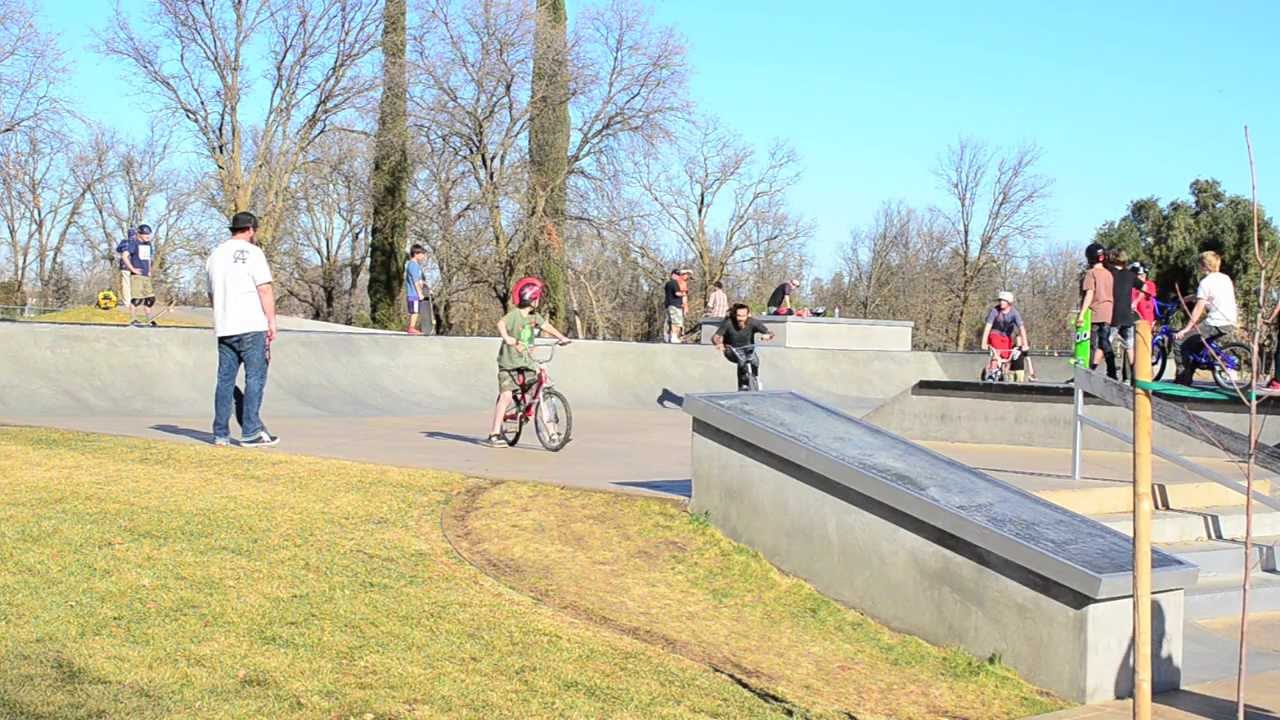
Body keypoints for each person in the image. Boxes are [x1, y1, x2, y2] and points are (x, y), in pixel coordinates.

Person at [205, 211, 279, 448]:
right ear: (250, 230)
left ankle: (220, 434)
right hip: (252, 325)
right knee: (255, 378)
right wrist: (271, 321)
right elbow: (264, 289)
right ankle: (250, 432)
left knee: (225, 380)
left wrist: (221, 315)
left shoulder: (215, 255)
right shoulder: (254, 253)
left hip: (225, 326)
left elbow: (211, 293)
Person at [486, 279, 570, 447]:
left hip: (527, 363)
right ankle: (494, 434)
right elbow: (501, 323)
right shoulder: (515, 315)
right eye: (537, 298)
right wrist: (507, 337)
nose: (538, 301)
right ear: (532, 299)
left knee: (539, 393)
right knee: (507, 395)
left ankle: (553, 434)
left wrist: (561, 337)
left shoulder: (534, 317)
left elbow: (546, 326)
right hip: (509, 364)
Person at [1173, 251, 1237, 386]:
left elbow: (1198, 308)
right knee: (1196, 344)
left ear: (1205, 266)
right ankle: (1191, 371)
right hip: (1230, 320)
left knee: (1180, 342)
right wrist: (1189, 298)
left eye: (1200, 265)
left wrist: (1186, 329)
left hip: (1216, 322)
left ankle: (1182, 379)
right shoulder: (1225, 278)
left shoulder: (1205, 282)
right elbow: (1212, 296)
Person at [713, 303, 775, 391]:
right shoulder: (728, 323)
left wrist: (768, 336)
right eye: (738, 316)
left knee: (755, 361)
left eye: (743, 316)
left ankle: (755, 379)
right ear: (735, 315)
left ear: (748, 315)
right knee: (742, 361)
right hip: (731, 350)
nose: (741, 319)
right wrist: (719, 343)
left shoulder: (753, 322)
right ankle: (743, 385)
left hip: (748, 349)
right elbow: (715, 337)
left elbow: (771, 333)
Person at [1077, 243, 1113, 373]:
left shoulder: (1091, 273)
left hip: (1095, 313)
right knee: (1104, 342)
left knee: (1090, 343)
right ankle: (1112, 370)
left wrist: (1081, 314)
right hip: (1108, 312)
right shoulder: (1109, 274)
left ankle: (1086, 371)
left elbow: (1089, 294)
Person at [980, 291, 1029, 381]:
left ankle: (1002, 372)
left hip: (1006, 336)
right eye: (1000, 300)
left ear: (1009, 302)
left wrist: (1025, 344)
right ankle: (993, 372)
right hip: (995, 334)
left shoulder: (1014, 313)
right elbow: (988, 327)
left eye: (1003, 301)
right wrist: (983, 342)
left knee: (1006, 357)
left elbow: (1022, 328)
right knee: (997, 352)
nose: (1001, 303)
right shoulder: (995, 311)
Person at [119, 224, 157, 326]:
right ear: (139, 234)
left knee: (150, 299)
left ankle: (149, 319)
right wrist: (132, 269)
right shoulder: (134, 243)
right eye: (146, 235)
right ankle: (133, 319)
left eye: (149, 235)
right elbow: (124, 256)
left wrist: (149, 270)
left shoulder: (148, 245)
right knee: (137, 299)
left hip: (145, 275)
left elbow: (148, 258)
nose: (148, 237)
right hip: (137, 276)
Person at [1108, 249, 1138, 378]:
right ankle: (1134, 373)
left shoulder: (1110, 274)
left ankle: (1108, 371)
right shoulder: (1130, 275)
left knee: (1106, 341)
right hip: (1127, 315)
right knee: (1129, 346)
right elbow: (1145, 287)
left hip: (1114, 314)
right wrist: (1135, 301)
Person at [404, 244, 428, 335]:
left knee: (415, 310)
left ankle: (412, 327)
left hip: (415, 293)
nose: (423, 256)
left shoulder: (416, 265)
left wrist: (425, 286)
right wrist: (420, 293)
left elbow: (419, 280)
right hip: (413, 293)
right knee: (414, 311)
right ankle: (411, 328)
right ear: (416, 253)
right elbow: (415, 281)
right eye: (422, 254)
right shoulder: (413, 265)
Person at [663, 268, 688, 343]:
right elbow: (677, 293)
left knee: (670, 321)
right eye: (677, 275)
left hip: (669, 304)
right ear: (673, 275)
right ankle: (674, 337)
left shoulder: (668, 283)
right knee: (676, 322)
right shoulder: (674, 283)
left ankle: (669, 337)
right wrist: (684, 293)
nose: (678, 276)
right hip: (675, 305)